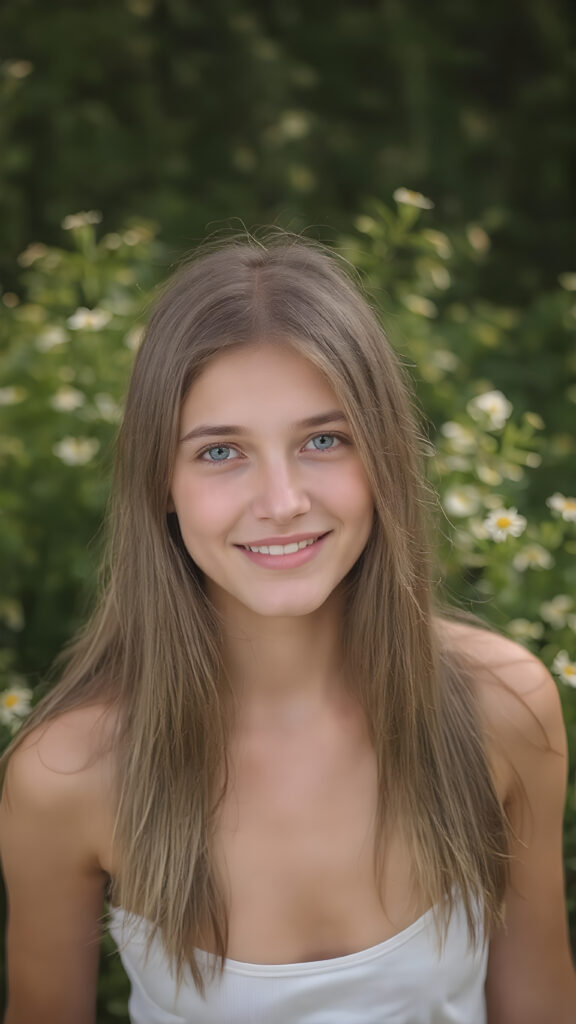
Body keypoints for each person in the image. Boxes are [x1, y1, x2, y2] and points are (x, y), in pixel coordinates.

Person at [0, 235, 574, 1024]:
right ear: (160, 484)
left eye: (323, 441)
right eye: (221, 451)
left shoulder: (501, 708)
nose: (281, 499)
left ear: (385, 456)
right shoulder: (69, 774)